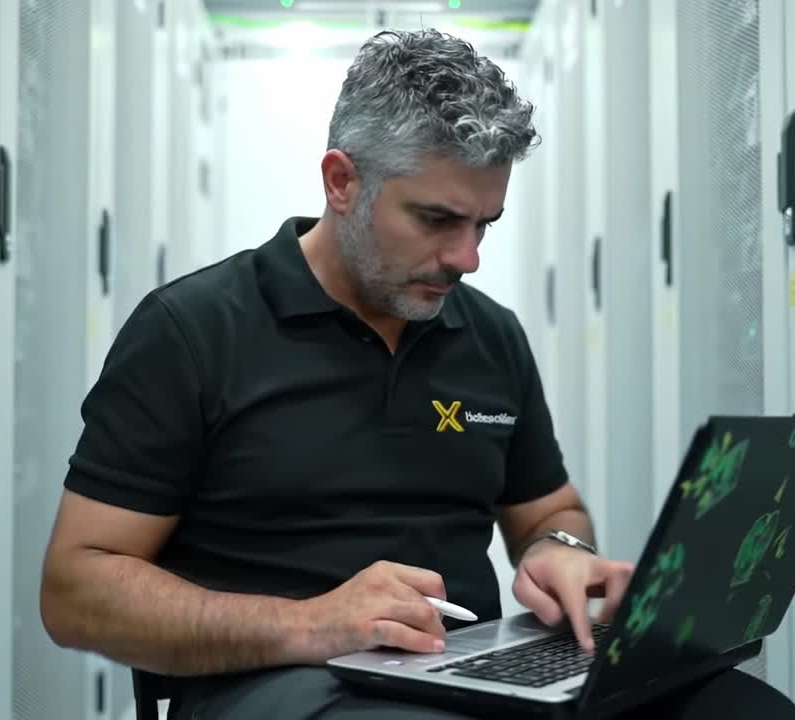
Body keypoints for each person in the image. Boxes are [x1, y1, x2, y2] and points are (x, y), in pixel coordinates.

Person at [39, 28, 635, 719]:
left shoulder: (490, 336)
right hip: (275, 683)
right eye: (438, 220)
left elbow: (549, 509)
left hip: (472, 679)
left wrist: (560, 550)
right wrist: (311, 625)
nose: (467, 258)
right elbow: (75, 590)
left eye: (485, 225)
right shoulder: (193, 332)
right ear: (342, 182)